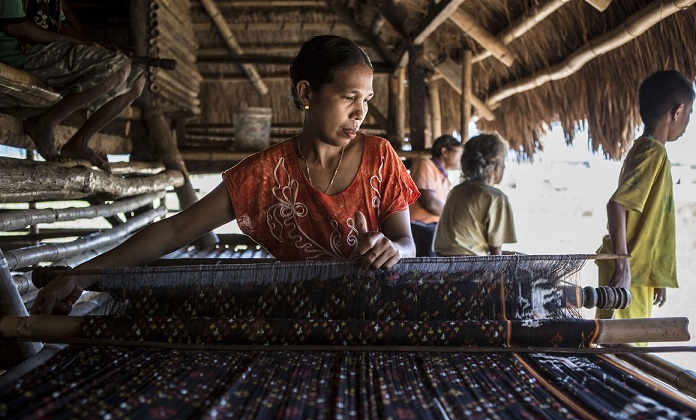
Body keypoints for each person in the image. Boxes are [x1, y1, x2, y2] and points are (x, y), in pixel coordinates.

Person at [31, 35, 420, 315]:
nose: (360, 112)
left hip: (375, 315)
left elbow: (406, 243)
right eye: (348, 96)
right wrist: (81, 276)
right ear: (306, 93)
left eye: (366, 99)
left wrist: (393, 249)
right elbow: (176, 231)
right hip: (302, 320)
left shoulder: (378, 156)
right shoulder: (265, 174)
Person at [0, 0, 146, 172]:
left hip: (45, 49)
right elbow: (14, 26)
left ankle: (79, 142)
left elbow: (60, 25)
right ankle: (45, 122)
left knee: (137, 80)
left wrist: (93, 45)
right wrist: (71, 41)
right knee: (119, 67)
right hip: (21, 52)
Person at [595, 70, 695, 320]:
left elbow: (649, 220)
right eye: (690, 114)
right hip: (629, 275)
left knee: (620, 347)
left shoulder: (645, 150)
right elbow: (617, 205)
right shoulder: (653, 152)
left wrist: (655, 274)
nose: (687, 123)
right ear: (678, 111)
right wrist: (623, 266)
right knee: (622, 352)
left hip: (638, 272)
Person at [433, 132, 516, 256]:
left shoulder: (456, 191)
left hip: (442, 264)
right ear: (497, 166)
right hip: (472, 266)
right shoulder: (496, 198)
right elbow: (496, 254)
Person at [408, 135, 463, 256]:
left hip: (433, 228)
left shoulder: (444, 177)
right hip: (421, 227)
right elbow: (430, 203)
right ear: (445, 152)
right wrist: (457, 217)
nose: (461, 157)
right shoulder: (426, 164)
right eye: (459, 153)